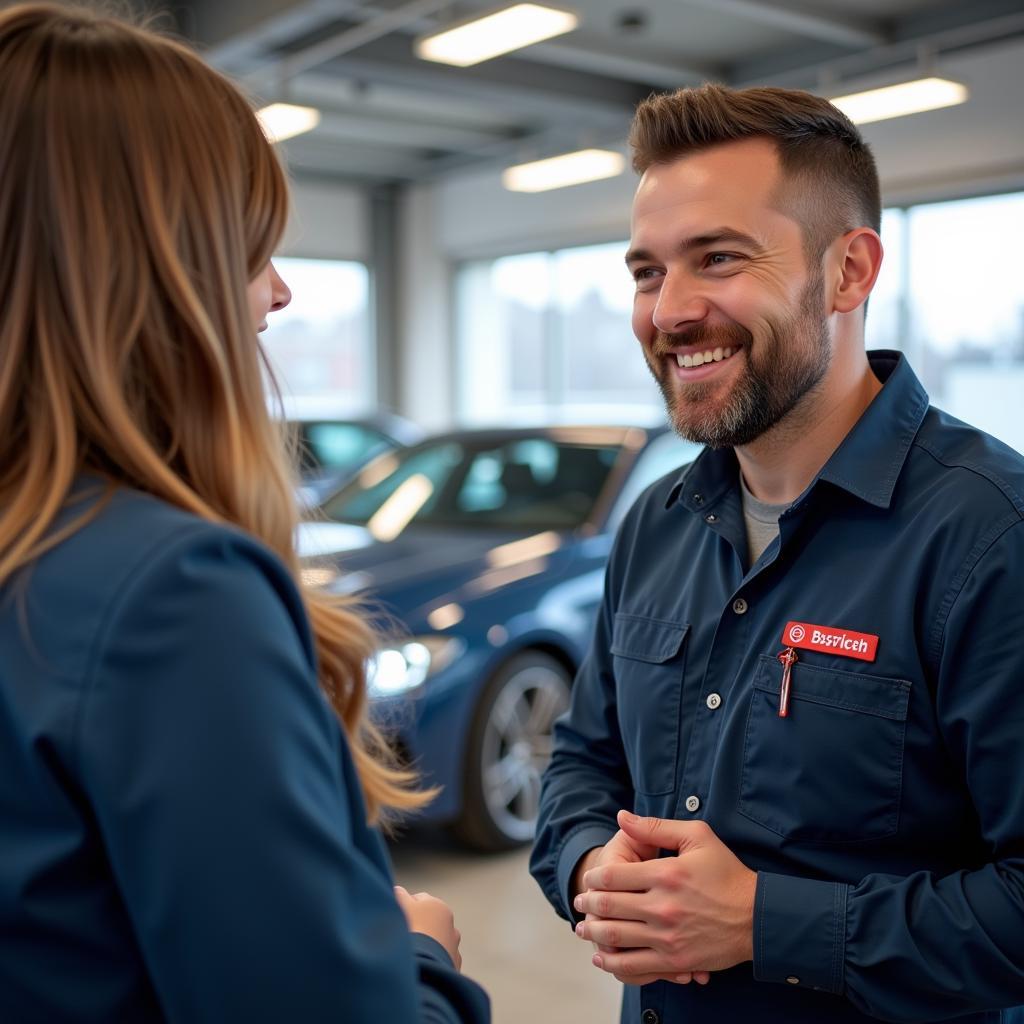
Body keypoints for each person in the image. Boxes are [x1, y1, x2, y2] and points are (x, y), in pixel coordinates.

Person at [0, 5, 489, 1022]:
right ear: (152, 271)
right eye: (250, 245)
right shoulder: (168, 592)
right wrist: (422, 963)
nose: (278, 293)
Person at [530, 82, 1024, 1023]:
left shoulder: (991, 538)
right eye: (645, 272)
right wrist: (591, 864)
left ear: (849, 272)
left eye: (717, 258)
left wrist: (767, 922)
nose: (668, 313)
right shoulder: (655, 523)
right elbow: (581, 764)